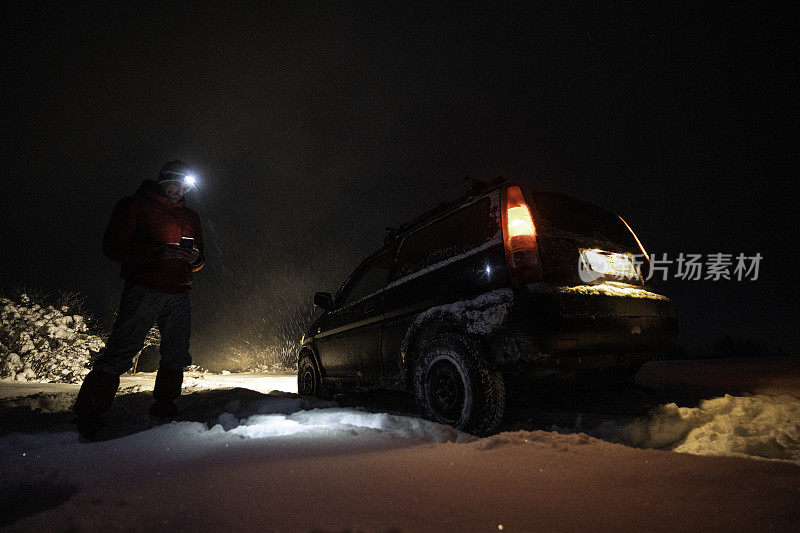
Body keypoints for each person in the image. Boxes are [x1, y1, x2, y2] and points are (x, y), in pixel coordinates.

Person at [73, 159, 205, 439]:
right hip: (143, 288)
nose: (179, 189)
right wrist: (158, 253)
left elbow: (199, 259)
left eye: (184, 184)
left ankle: (165, 405)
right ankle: (90, 411)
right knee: (123, 347)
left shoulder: (190, 216)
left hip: (180, 292)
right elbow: (113, 247)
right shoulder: (133, 205)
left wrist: (194, 259)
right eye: (174, 182)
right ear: (162, 181)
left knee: (176, 353)